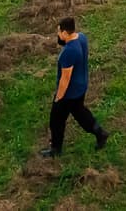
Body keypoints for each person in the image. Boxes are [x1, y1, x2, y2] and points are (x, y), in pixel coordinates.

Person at [41, 17, 107, 158]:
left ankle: (56, 149)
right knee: (80, 113)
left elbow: (65, 78)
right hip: (81, 86)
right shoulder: (81, 38)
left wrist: (59, 97)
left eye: (59, 31)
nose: (58, 34)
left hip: (69, 93)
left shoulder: (69, 52)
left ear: (65, 32)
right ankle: (100, 133)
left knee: (56, 120)